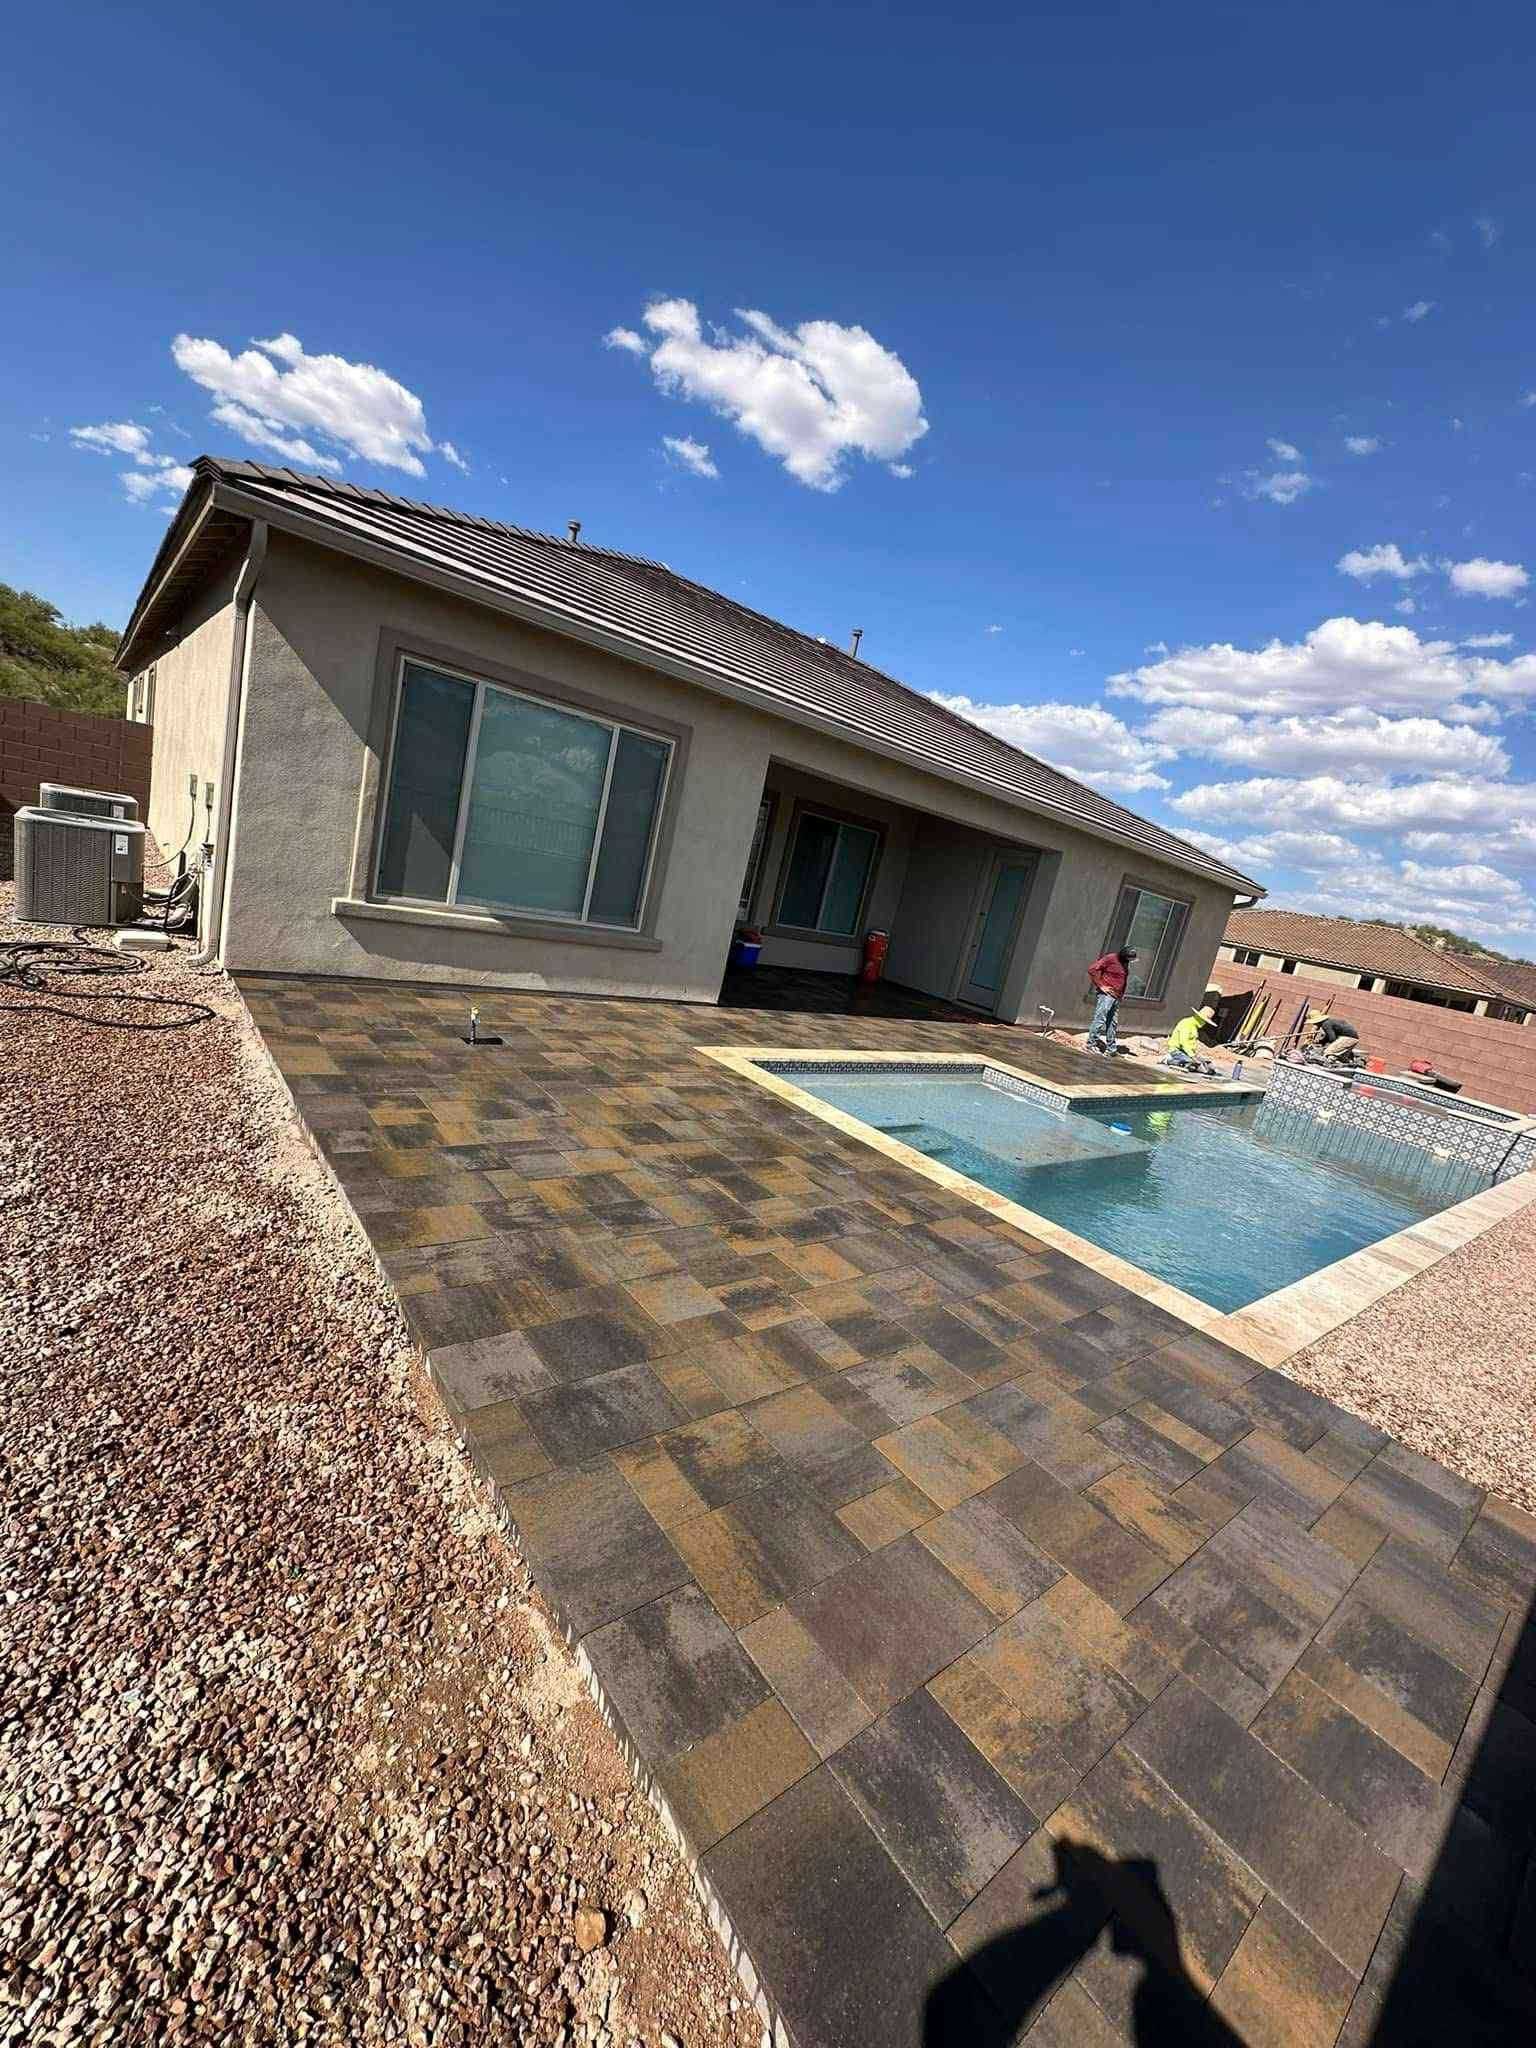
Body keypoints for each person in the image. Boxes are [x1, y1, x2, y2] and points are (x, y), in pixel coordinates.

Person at [1085, 945, 1137, 1056]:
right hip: (1106, 995)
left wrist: (1121, 994)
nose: (1130, 961)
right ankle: (1091, 1044)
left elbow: (1123, 979)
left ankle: (1111, 1049)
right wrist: (1101, 985)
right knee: (1100, 1019)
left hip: (1116, 997)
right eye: (1129, 959)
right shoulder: (1111, 958)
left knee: (1113, 1023)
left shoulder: (1125, 963)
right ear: (1123, 956)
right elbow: (1092, 969)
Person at [1163, 1004, 1217, 1069]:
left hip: (1187, 1053)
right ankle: (1168, 1060)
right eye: (1204, 1020)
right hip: (1177, 1051)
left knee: (1206, 1064)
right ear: (1198, 1017)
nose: (1204, 1023)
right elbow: (1183, 1042)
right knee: (1192, 1064)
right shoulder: (1186, 1023)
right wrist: (1192, 1056)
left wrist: (1195, 1055)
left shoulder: (1194, 1027)